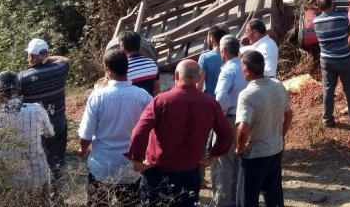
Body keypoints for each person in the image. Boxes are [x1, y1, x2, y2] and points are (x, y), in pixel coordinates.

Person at [126, 59, 234, 207]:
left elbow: (139, 131)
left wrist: (137, 161)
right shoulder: (210, 104)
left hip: (158, 173)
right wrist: (212, 158)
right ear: (198, 78)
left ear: (176, 75)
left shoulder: (161, 101)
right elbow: (227, 133)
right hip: (190, 173)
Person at [77, 49, 152, 207]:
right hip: (131, 168)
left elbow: (86, 136)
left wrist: (83, 151)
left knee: (98, 204)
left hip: (101, 166)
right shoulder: (143, 96)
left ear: (107, 69)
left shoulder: (98, 97)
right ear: (127, 67)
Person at [0, 71, 55, 204]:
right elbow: (50, 133)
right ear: (19, 88)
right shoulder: (37, 109)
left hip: (8, 180)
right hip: (38, 174)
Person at [235, 50, 293, 207]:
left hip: (256, 154)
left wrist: (240, 149)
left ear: (246, 70)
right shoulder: (278, 85)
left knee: (246, 197)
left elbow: (243, 128)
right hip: (275, 148)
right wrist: (280, 135)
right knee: (273, 193)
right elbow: (289, 114)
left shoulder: (247, 94)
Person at [18, 38, 71, 202]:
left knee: (36, 163)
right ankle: (56, 198)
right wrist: (46, 57)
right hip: (58, 122)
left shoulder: (23, 77)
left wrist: (41, 57)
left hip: (35, 126)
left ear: (30, 56)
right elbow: (65, 59)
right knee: (56, 161)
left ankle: (40, 199)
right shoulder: (60, 69)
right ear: (46, 53)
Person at [312, 0, 350, 128]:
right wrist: (349, 39)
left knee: (328, 89)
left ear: (319, 7)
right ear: (332, 4)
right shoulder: (342, 18)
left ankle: (327, 119)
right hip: (344, 59)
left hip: (326, 61)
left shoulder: (316, 22)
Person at [212, 35, 248, 207]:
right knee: (238, 161)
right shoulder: (244, 67)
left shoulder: (228, 70)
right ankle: (234, 200)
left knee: (222, 163)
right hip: (244, 119)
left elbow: (220, 96)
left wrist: (220, 115)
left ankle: (222, 202)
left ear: (223, 51)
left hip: (228, 118)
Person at [119, 31, 160, 96]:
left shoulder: (121, 69)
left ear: (122, 46)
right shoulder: (152, 64)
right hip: (150, 104)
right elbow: (157, 90)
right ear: (139, 45)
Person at [197, 24, 229, 97]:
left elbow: (199, 86)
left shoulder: (204, 57)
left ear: (212, 38)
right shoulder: (233, 55)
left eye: (208, 35)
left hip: (210, 101)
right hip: (229, 101)